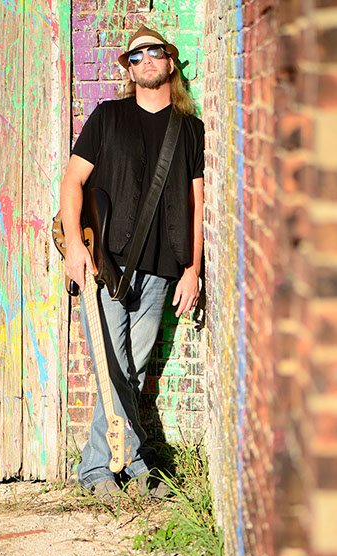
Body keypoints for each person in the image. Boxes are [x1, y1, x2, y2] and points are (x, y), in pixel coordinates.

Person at [60, 25, 204, 499]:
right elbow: (72, 181)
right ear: (128, 68)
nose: (145, 60)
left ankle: (111, 464)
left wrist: (192, 270)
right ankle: (113, 468)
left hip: (163, 268)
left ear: (170, 61)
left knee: (130, 372)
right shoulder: (107, 117)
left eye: (153, 52)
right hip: (104, 264)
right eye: (135, 56)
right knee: (113, 369)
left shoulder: (191, 130)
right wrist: (75, 247)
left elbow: (196, 203)